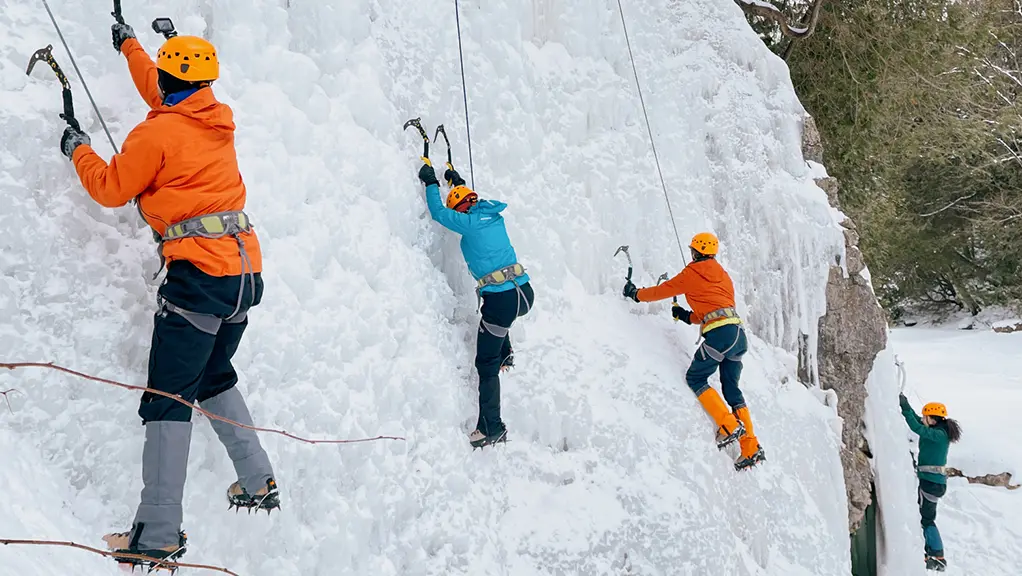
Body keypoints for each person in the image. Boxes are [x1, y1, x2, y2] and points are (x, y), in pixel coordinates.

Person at [58, 20, 279, 566]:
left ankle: (156, 534)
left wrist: (78, 149)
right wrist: (130, 45)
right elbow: (163, 92)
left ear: (170, 78)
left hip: (199, 280)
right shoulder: (214, 119)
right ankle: (257, 479)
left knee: (169, 399)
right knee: (212, 376)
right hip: (243, 274)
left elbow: (111, 187)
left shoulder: (156, 134)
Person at [622, 232, 765, 470]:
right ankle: (750, 446)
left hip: (720, 335)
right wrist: (687, 316)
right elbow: (715, 307)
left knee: (696, 377)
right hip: (738, 336)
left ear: (695, 252)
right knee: (732, 389)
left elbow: (662, 291)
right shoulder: (723, 275)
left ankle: (728, 424)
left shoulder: (692, 273)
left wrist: (636, 294)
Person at [417, 161, 534, 448]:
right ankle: (505, 351)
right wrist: (456, 182)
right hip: (524, 293)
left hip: (502, 302)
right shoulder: (492, 215)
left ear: (462, 210)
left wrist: (431, 182)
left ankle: (491, 426)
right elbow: (470, 202)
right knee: (496, 324)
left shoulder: (467, 221)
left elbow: (440, 213)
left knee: (485, 364)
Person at [899, 395, 962, 572]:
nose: (923, 418)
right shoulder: (939, 430)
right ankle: (930, 553)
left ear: (932, 419)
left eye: (925, 416)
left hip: (931, 483)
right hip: (933, 482)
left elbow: (917, 427)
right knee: (925, 517)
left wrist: (904, 409)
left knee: (926, 519)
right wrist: (905, 404)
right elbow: (918, 421)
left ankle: (937, 556)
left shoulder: (938, 435)